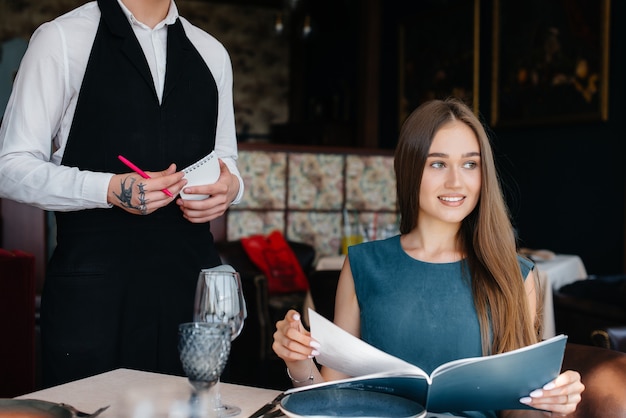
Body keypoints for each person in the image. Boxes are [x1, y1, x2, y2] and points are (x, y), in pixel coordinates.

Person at [272, 98, 584, 417]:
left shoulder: (514, 275)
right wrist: (298, 362)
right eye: (437, 163)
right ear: (410, 168)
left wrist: (551, 403)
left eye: (469, 164)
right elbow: (330, 401)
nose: (455, 181)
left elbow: (517, 410)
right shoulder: (364, 265)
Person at [0, 0, 243, 387]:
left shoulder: (212, 52)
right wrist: (109, 189)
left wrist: (232, 187)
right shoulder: (60, 39)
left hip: (191, 294)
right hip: (96, 293)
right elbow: (9, 165)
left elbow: (226, 158)